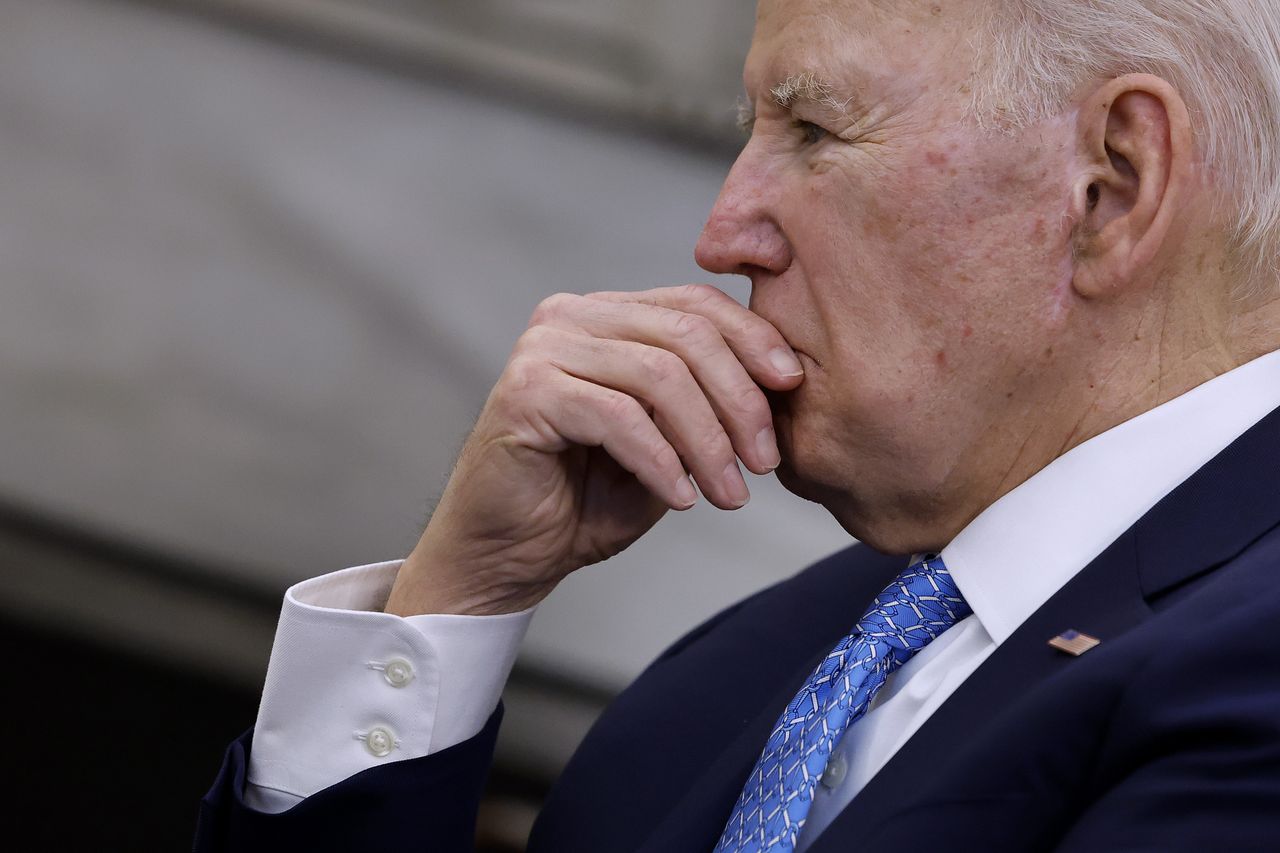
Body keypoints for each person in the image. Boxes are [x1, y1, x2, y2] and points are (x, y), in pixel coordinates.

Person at [195, 0, 1280, 850]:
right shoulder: (770, 656)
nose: (723, 234)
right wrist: (451, 607)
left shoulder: (1246, 670)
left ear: (1112, 183)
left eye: (813, 130)